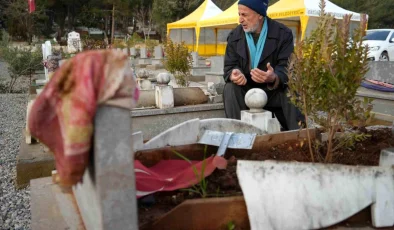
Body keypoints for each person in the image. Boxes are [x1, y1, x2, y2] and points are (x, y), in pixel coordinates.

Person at [223, 0, 303, 131]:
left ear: (260, 14)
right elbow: (229, 66)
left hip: (273, 91)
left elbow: (288, 67)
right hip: (246, 90)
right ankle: (237, 135)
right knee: (230, 88)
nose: (240, 20)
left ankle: (300, 137)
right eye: (239, 14)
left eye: (244, 15)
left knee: (291, 89)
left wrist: (274, 77)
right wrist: (234, 73)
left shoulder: (283, 33)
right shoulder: (234, 36)